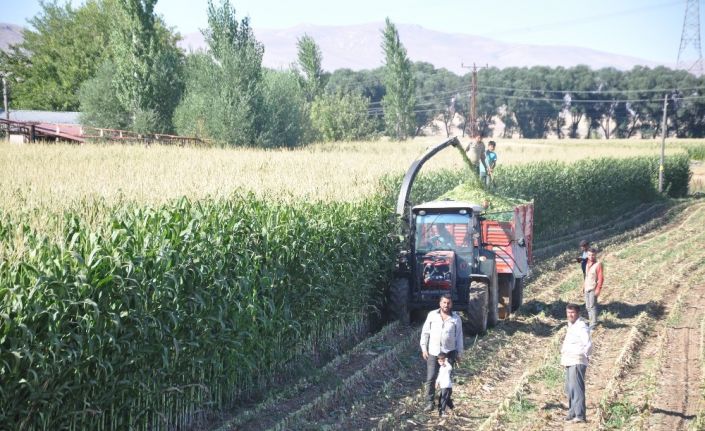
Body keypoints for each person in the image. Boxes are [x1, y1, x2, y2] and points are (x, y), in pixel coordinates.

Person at [420, 294, 464, 412]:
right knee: (431, 378)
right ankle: (429, 402)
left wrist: (459, 353)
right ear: (440, 303)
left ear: (451, 304)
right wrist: (424, 348)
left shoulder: (456, 318)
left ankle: (443, 403)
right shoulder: (432, 315)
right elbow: (425, 333)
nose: (446, 305)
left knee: (446, 380)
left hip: (449, 352)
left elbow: (459, 337)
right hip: (433, 352)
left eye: (448, 303)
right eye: (444, 303)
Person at [560, 303, 592, 423]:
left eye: (572, 312)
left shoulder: (581, 326)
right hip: (569, 360)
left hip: (577, 360)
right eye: (568, 312)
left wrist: (585, 356)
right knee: (570, 388)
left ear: (578, 313)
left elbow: (588, 344)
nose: (570, 315)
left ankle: (579, 415)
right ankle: (572, 412)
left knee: (577, 388)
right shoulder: (571, 325)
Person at [583, 247, 604, 330]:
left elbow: (601, 278)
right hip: (586, 288)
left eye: (592, 255)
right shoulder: (587, 264)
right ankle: (591, 322)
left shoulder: (598, 265)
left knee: (592, 306)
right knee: (588, 306)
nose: (591, 256)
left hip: (593, 288)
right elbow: (586, 277)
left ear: (595, 255)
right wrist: (583, 287)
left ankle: (594, 324)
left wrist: (598, 289)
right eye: (589, 255)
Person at [435, 352, 454, 417]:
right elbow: (439, 376)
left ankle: (442, 412)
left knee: (444, 399)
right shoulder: (441, 368)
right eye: (439, 361)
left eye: (441, 361)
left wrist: (446, 362)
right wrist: (437, 382)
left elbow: (450, 368)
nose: (440, 362)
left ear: (445, 360)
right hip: (443, 386)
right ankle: (452, 408)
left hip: (447, 386)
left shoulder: (447, 367)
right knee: (444, 398)